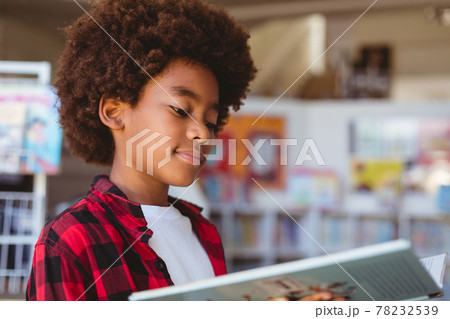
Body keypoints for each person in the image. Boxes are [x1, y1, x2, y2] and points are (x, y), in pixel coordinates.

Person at [26, 0, 256, 301]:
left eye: (211, 121)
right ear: (114, 111)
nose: (202, 132)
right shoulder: (71, 239)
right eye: (179, 109)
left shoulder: (205, 233)